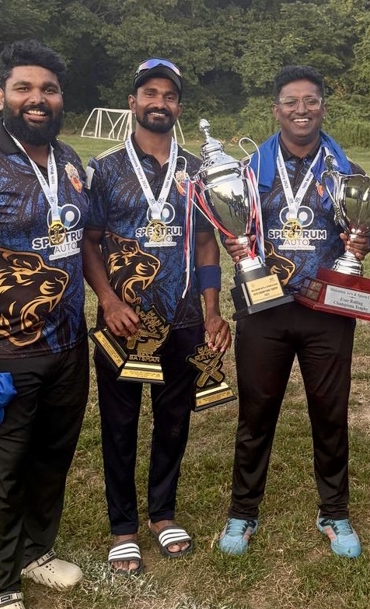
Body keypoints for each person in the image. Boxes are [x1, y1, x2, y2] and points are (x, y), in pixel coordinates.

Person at [0, 40, 89, 609]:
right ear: (2, 96)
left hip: (68, 344)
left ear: (60, 99)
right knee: (4, 470)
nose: (38, 99)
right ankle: (0, 588)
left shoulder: (69, 159)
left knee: (53, 456)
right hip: (3, 349)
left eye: (49, 89)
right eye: (24, 88)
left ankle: (37, 550)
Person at [82, 58, 230, 575]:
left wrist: (212, 310)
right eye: (150, 93)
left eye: (168, 95)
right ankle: (123, 526)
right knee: (120, 423)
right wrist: (108, 300)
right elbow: (89, 242)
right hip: (124, 321)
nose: (159, 102)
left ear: (178, 108)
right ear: (133, 102)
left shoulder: (196, 169)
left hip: (184, 317)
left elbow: (207, 242)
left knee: (172, 420)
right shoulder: (104, 169)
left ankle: (162, 514)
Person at [217, 65, 370, 559]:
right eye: (291, 102)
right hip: (265, 307)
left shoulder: (345, 170)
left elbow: (361, 231)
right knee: (256, 412)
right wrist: (235, 244)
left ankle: (334, 511)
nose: (301, 110)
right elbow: (230, 225)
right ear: (276, 109)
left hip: (328, 308)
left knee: (330, 413)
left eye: (310, 101)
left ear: (323, 106)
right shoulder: (248, 170)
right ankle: (243, 511)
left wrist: (360, 243)